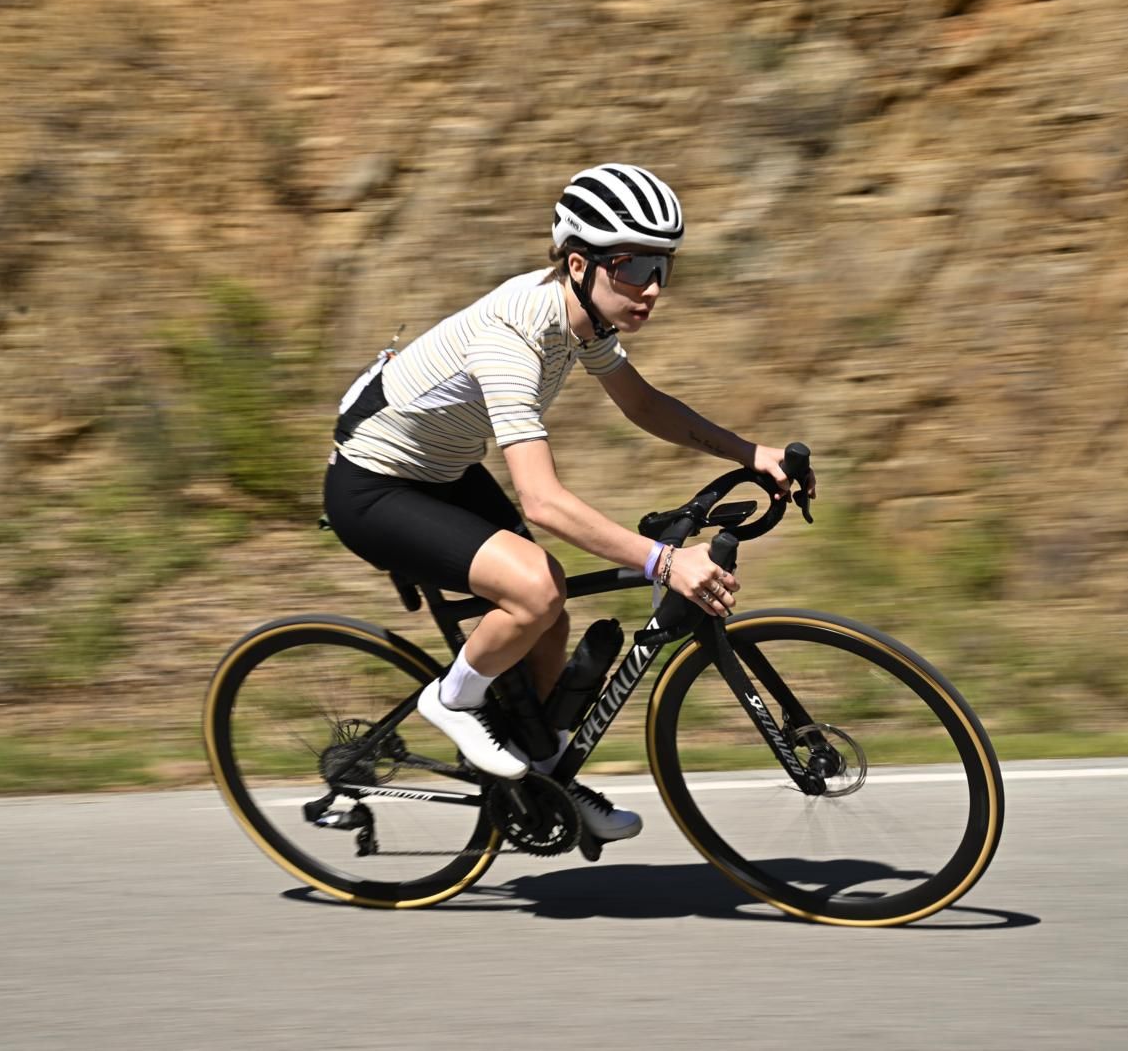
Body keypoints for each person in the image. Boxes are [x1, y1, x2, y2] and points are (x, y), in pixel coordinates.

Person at [322, 163, 814, 842]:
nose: (649, 287)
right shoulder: (513, 336)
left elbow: (643, 404)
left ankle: (548, 778)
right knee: (536, 585)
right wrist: (664, 563)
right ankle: (452, 698)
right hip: (372, 486)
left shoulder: (581, 321)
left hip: (441, 471)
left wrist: (748, 452)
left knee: (545, 616)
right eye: (631, 265)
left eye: (661, 267)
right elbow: (544, 500)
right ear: (578, 263)